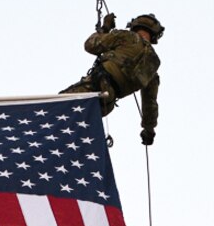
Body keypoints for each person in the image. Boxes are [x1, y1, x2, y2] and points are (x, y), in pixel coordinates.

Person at [62, 10, 163, 145]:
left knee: (57, 108)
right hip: (107, 102)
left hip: (94, 87)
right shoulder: (153, 64)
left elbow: (91, 45)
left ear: (134, 26)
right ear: (155, 35)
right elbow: (149, 104)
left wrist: (105, 28)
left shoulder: (127, 36)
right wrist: (149, 130)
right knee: (77, 126)